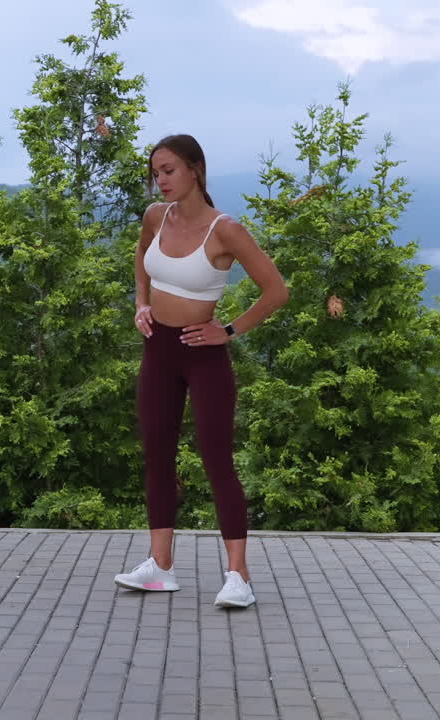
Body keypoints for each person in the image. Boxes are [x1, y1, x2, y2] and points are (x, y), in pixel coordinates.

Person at [114, 134, 288, 608]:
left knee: (216, 461)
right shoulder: (156, 217)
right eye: (155, 173)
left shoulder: (225, 230)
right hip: (159, 350)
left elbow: (276, 292)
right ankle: (160, 566)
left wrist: (227, 331)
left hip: (203, 353)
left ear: (195, 169)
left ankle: (238, 576)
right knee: (158, 456)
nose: (161, 180)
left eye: (169, 170)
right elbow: (142, 258)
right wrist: (142, 304)